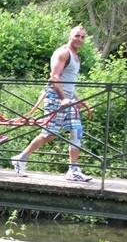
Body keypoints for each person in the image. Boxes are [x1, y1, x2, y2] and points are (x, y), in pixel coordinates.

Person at [11, 26, 92, 182]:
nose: (79, 39)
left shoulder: (76, 56)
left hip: (69, 100)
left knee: (77, 132)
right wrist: (63, 99)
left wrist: (76, 99)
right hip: (56, 98)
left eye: (82, 37)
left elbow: (68, 82)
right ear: (70, 35)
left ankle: (73, 170)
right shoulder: (63, 53)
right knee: (49, 134)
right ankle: (21, 158)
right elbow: (54, 76)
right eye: (77, 36)